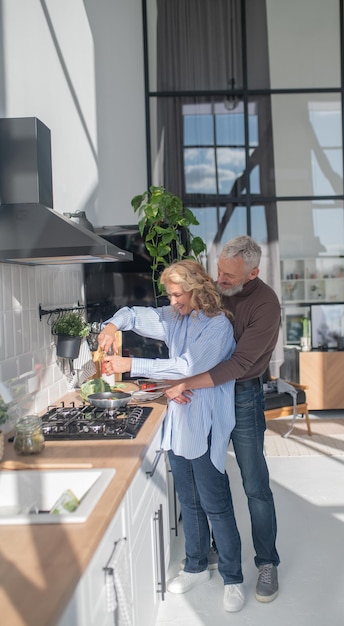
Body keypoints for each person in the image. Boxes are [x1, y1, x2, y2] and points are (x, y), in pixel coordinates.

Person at [98, 259, 245, 613]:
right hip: (178, 421)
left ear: (197, 289)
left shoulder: (218, 326)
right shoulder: (174, 317)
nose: (173, 301)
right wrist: (110, 326)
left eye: (178, 294)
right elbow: (133, 315)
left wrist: (129, 365)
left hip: (204, 423)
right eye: (170, 295)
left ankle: (233, 577)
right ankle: (196, 566)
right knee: (189, 501)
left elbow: (186, 367)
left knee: (216, 503)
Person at [164, 235, 281, 603]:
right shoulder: (214, 292)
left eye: (229, 275)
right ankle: (211, 552)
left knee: (253, 483)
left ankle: (267, 562)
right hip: (205, 395)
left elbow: (239, 364)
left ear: (253, 272)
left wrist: (183, 380)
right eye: (219, 271)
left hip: (242, 396)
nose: (221, 279)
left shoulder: (265, 304)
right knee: (208, 480)